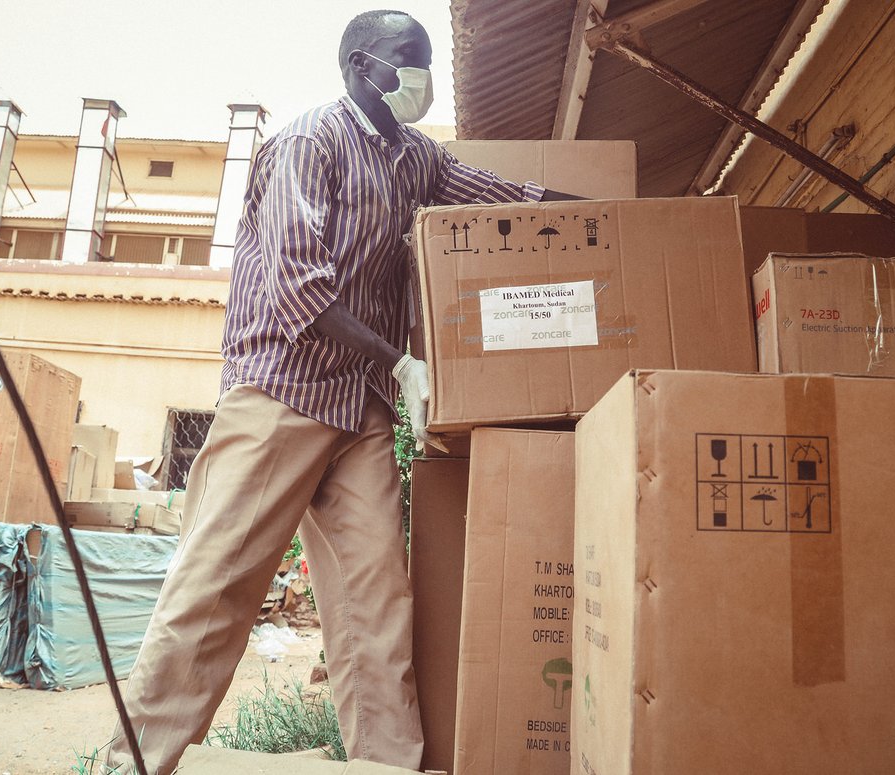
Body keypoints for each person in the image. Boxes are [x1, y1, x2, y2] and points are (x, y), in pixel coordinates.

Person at [106, 9, 578, 773]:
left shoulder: (416, 157)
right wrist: (403, 362)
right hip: (283, 391)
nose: (422, 77)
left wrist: (604, 219)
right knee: (218, 584)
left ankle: (386, 764)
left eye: (426, 62)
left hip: (361, 409)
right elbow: (300, 287)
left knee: (376, 602)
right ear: (362, 66)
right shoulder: (306, 144)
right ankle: (131, 760)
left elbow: (498, 197)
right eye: (408, 61)